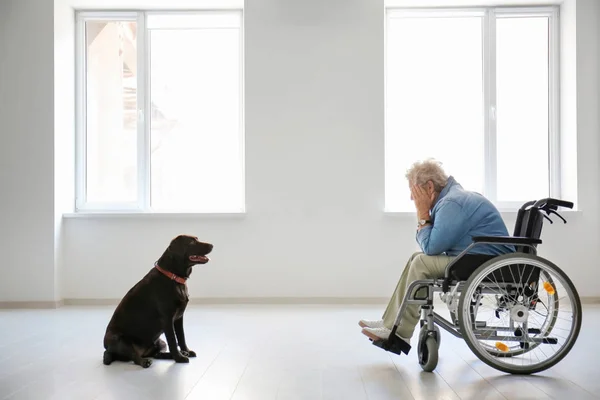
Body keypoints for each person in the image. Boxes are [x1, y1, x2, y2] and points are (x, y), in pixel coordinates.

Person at [359, 159, 514, 346]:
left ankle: (399, 332)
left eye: (413, 190)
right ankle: (389, 323)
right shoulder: (453, 199)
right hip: (478, 257)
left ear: (429, 187)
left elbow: (432, 248)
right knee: (417, 258)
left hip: (485, 262)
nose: (411, 197)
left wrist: (423, 215)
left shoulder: (452, 203)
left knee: (421, 262)